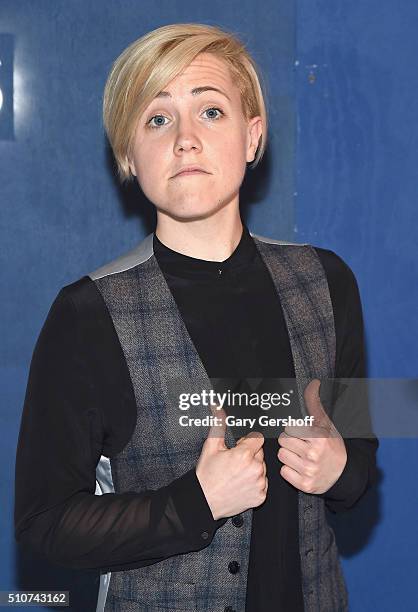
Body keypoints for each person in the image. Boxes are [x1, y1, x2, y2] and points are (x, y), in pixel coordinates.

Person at [14, 22, 378, 612]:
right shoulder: (85, 317)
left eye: (211, 111)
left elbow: (361, 459)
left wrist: (339, 469)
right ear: (129, 153)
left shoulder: (328, 282)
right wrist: (195, 503)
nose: (185, 139)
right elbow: (44, 523)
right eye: (158, 118)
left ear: (253, 136)